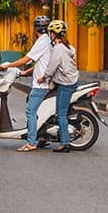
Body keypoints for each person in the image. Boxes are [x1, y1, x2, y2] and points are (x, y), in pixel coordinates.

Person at [14, 14, 53, 152]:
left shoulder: (42, 41)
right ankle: (41, 137)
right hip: (43, 83)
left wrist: (8, 65)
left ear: (35, 29)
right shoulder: (47, 40)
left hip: (40, 85)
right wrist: (25, 73)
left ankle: (31, 142)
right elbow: (40, 63)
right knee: (38, 112)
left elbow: (26, 59)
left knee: (30, 111)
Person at [46, 18, 80, 152]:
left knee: (61, 114)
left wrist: (44, 77)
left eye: (50, 32)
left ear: (54, 34)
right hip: (71, 81)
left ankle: (65, 143)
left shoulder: (59, 49)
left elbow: (51, 67)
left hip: (65, 85)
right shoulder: (69, 47)